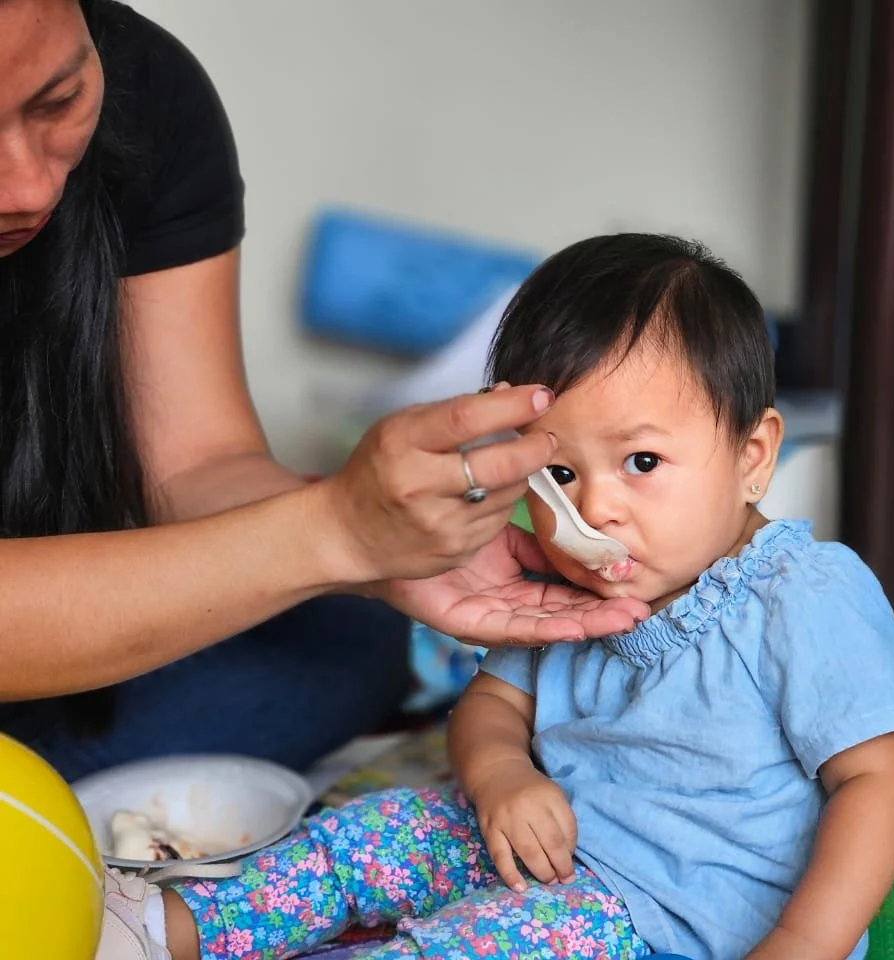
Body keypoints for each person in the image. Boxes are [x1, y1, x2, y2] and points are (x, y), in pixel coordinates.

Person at [108, 234, 894, 960]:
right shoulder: (559, 581)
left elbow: (876, 783)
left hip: (679, 919)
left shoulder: (802, 594)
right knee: (366, 837)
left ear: (753, 456)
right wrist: (501, 773)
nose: (597, 508)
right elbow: (492, 706)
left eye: (641, 463)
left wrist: (804, 945)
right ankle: (165, 933)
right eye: (561, 475)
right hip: (543, 850)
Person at [0, 0, 646, 782]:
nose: (30, 187)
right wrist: (329, 535)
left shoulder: (145, 89)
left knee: (345, 633)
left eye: (60, 102)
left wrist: (380, 550)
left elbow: (195, 464)